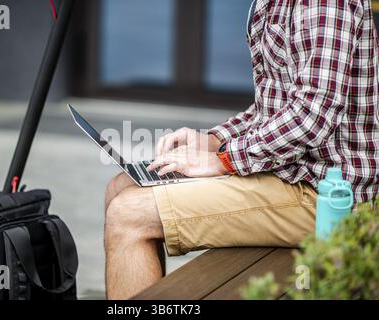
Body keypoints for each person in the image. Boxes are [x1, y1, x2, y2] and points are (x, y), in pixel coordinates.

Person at [104, 0, 379, 299]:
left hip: (326, 194)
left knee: (128, 214)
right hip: (289, 172)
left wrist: (224, 160)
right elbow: (274, 107)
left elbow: (312, 115)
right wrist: (213, 140)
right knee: (122, 186)